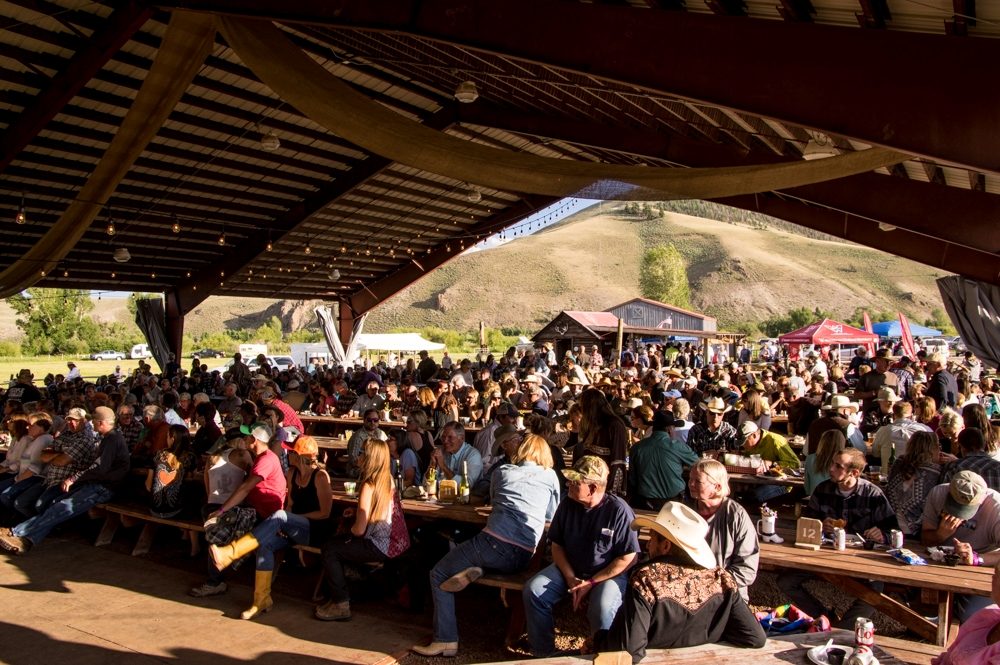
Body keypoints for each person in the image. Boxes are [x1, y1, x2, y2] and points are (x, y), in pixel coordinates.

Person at [413, 434, 560, 657]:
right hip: (524, 554)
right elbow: (551, 513)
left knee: (438, 573)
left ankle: (445, 639)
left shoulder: (504, 472)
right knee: (481, 556)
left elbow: (491, 500)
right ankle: (479, 569)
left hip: (493, 543)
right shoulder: (550, 476)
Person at [597, 502, 766, 662]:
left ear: (666, 546)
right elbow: (755, 637)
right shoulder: (721, 579)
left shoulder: (646, 580)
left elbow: (629, 651)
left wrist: (599, 640)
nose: (648, 545)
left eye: (653, 538)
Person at [523, 456, 641, 658]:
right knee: (534, 590)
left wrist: (592, 582)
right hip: (570, 568)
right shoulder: (568, 504)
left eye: (575, 481)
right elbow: (557, 545)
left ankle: (603, 654)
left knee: (602, 607)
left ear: (593, 488)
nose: (568, 484)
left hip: (606, 574)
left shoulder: (619, 511)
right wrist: (570, 577)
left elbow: (628, 558)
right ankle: (543, 653)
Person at [210, 435, 332, 620]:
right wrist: (286, 523)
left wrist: (290, 519)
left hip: (314, 530)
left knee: (281, 516)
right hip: (293, 526)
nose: (286, 453)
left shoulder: (320, 476)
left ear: (299, 455)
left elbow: (325, 513)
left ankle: (231, 553)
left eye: (290, 451)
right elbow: (289, 504)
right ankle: (261, 600)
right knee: (265, 545)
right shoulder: (292, 473)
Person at [777, 448, 898, 628]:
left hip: (860, 559)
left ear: (854, 472)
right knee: (785, 581)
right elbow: (805, 524)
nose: (831, 469)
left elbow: (893, 531)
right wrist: (818, 526)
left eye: (837, 466)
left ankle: (843, 628)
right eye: (832, 463)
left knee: (875, 591)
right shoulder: (823, 489)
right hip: (824, 556)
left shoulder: (873, 494)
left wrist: (882, 534)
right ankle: (825, 617)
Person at [0, 407, 129, 555]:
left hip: (103, 487)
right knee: (56, 506)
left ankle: (17, 533)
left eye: (93, 420)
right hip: (95, 484)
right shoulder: (109, 437)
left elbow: (98, 467)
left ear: (100, 422)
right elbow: (47, 456)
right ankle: (25, 539)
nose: (91, 423)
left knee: (62, 507)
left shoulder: (112, 439)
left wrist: (73, 478)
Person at [189, 422, 287, 598]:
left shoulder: (265, 459)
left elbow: (245, 488)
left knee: (217, 522)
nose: (244, 438)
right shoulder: (258, 457)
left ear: (254, 439)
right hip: (253, 510)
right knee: (215, 520)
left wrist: (221, 510)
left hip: (265, 516)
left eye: (247, 436)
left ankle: (216, 579)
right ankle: (218, 574)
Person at [316, 437, 408, 621]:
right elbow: (377, 510)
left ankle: (340, 602)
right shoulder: (387, 479)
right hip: (396, 542)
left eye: (361, 453)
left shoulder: (369, 485)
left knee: (330, 548)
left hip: (380, 544)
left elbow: (358, 531)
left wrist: (347, 532)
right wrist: (358, 511)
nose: (357, 456)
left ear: (369, 458)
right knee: (339, 544)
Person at [922, 471, 1000, 622]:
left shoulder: (996, 506)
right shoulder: (938, 493)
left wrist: (977, 559)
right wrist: (940, 535)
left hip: (981, 569)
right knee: (919, 601)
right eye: (955, 505)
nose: (959, 515)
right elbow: (925, 539)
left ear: (982, 500)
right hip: (940, 563)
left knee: (972, 616)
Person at [686, 459, 759, 599]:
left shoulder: (736, 515)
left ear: (717, 487)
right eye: (690, 479)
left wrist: (711, 584)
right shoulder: (686, 512)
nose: (691, 484)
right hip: (690, 592)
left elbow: (747, 569)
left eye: (698, 481)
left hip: (727, 594)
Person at [931, 561, 1000, 665]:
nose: (993, 578)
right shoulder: (987, 617)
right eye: (995, 573)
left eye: (997, 575)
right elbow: (950, 654)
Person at [628, 411, 698, 511]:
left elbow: (633, 480)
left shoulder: (637, 448)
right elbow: (700, 464)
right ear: (669, 429)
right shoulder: (678, 446)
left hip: (644, 503)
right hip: (674, 504)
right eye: (674, 428)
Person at [885, 431, 943, 537]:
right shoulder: (935, 472)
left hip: (890, 525)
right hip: (916, 531)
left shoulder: (899, 462)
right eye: (938, 446)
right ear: (933, 449)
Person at [577, 388, 629, 497]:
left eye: (582, 407)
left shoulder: (615, 425)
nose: (581, 410)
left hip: (605, 489)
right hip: (590, 486)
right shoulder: (591, 425)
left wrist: (612, 494)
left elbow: (618, 462)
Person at [430, 421, 482, 489]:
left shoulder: (473, 455)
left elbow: (468, 486)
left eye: (450, 437)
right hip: (442, 496)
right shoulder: (440, 452)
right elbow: (425, 483)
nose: (445, 441)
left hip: (468, 498)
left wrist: (443, 466)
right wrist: (432, 465)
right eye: (443, 437)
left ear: (462, 438)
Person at [346, 408, 389, 477]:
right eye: (369, 420)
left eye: (375, 420)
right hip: (359, 470)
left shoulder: (381, 433)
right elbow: (354, 460)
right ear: (364, 420)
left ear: (379, 421)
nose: (372, 422)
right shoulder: (358, 437)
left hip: (376, 468)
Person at [804, 429, 846, 496]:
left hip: (815, 500)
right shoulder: (843, 462)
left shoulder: (810, 458)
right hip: (836, 502)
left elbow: (807, 489)